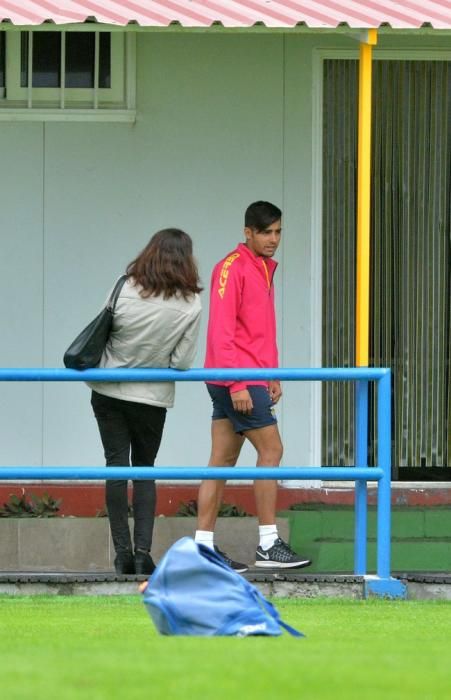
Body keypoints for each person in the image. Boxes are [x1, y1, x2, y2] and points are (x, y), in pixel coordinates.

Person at [194, 201, 311, 573]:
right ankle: (268, 543)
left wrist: (272, 374)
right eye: (266, 232)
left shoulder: (263, 267)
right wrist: (239, 382)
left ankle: (202, 549)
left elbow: (259, 331)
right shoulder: (231, 267)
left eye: (278, 232)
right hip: (235, 378)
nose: (273, 239)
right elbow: (221, 331)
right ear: (248, 232)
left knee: (221, 461)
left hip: (249, 377)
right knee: (272, 449)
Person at [88, 229, 202, 575]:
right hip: (151, 397)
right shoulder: (191, 304)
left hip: (108, 390)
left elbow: (103, 329)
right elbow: (182, 362)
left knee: (116, 466)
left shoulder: (123, 286)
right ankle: (142, 554)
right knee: (145, 469)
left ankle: (121, 554)